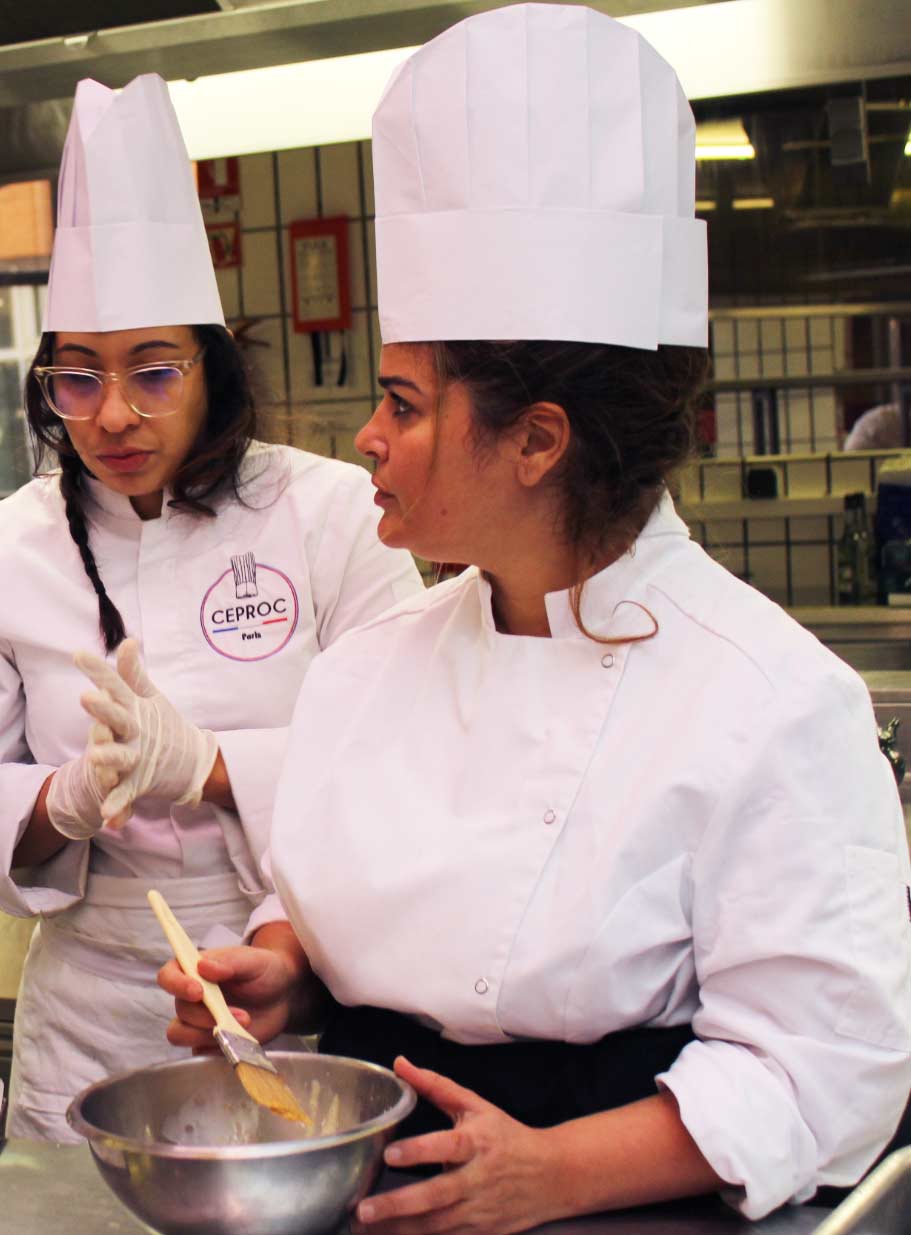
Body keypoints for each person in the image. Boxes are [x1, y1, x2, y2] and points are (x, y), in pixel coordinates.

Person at [160, 5, 911, 1229]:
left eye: (404, 401)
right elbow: (338, 886)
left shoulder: (769, 699)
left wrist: (551, 1170)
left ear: (536, 441)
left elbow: (826, 1065)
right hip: (374, 1192)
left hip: (624, 1206)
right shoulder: (370, 667)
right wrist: (284, 969)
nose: (366, 435)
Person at [0, 73, 423, 1142]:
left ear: (213, 365)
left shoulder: (332, 515)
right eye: (77, 378)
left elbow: (408, 751)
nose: (113, 415)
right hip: (90, 1013)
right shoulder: (2, 549)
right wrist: (53, 801)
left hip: (295, 982)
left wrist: (213, 766)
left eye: (153, 372)